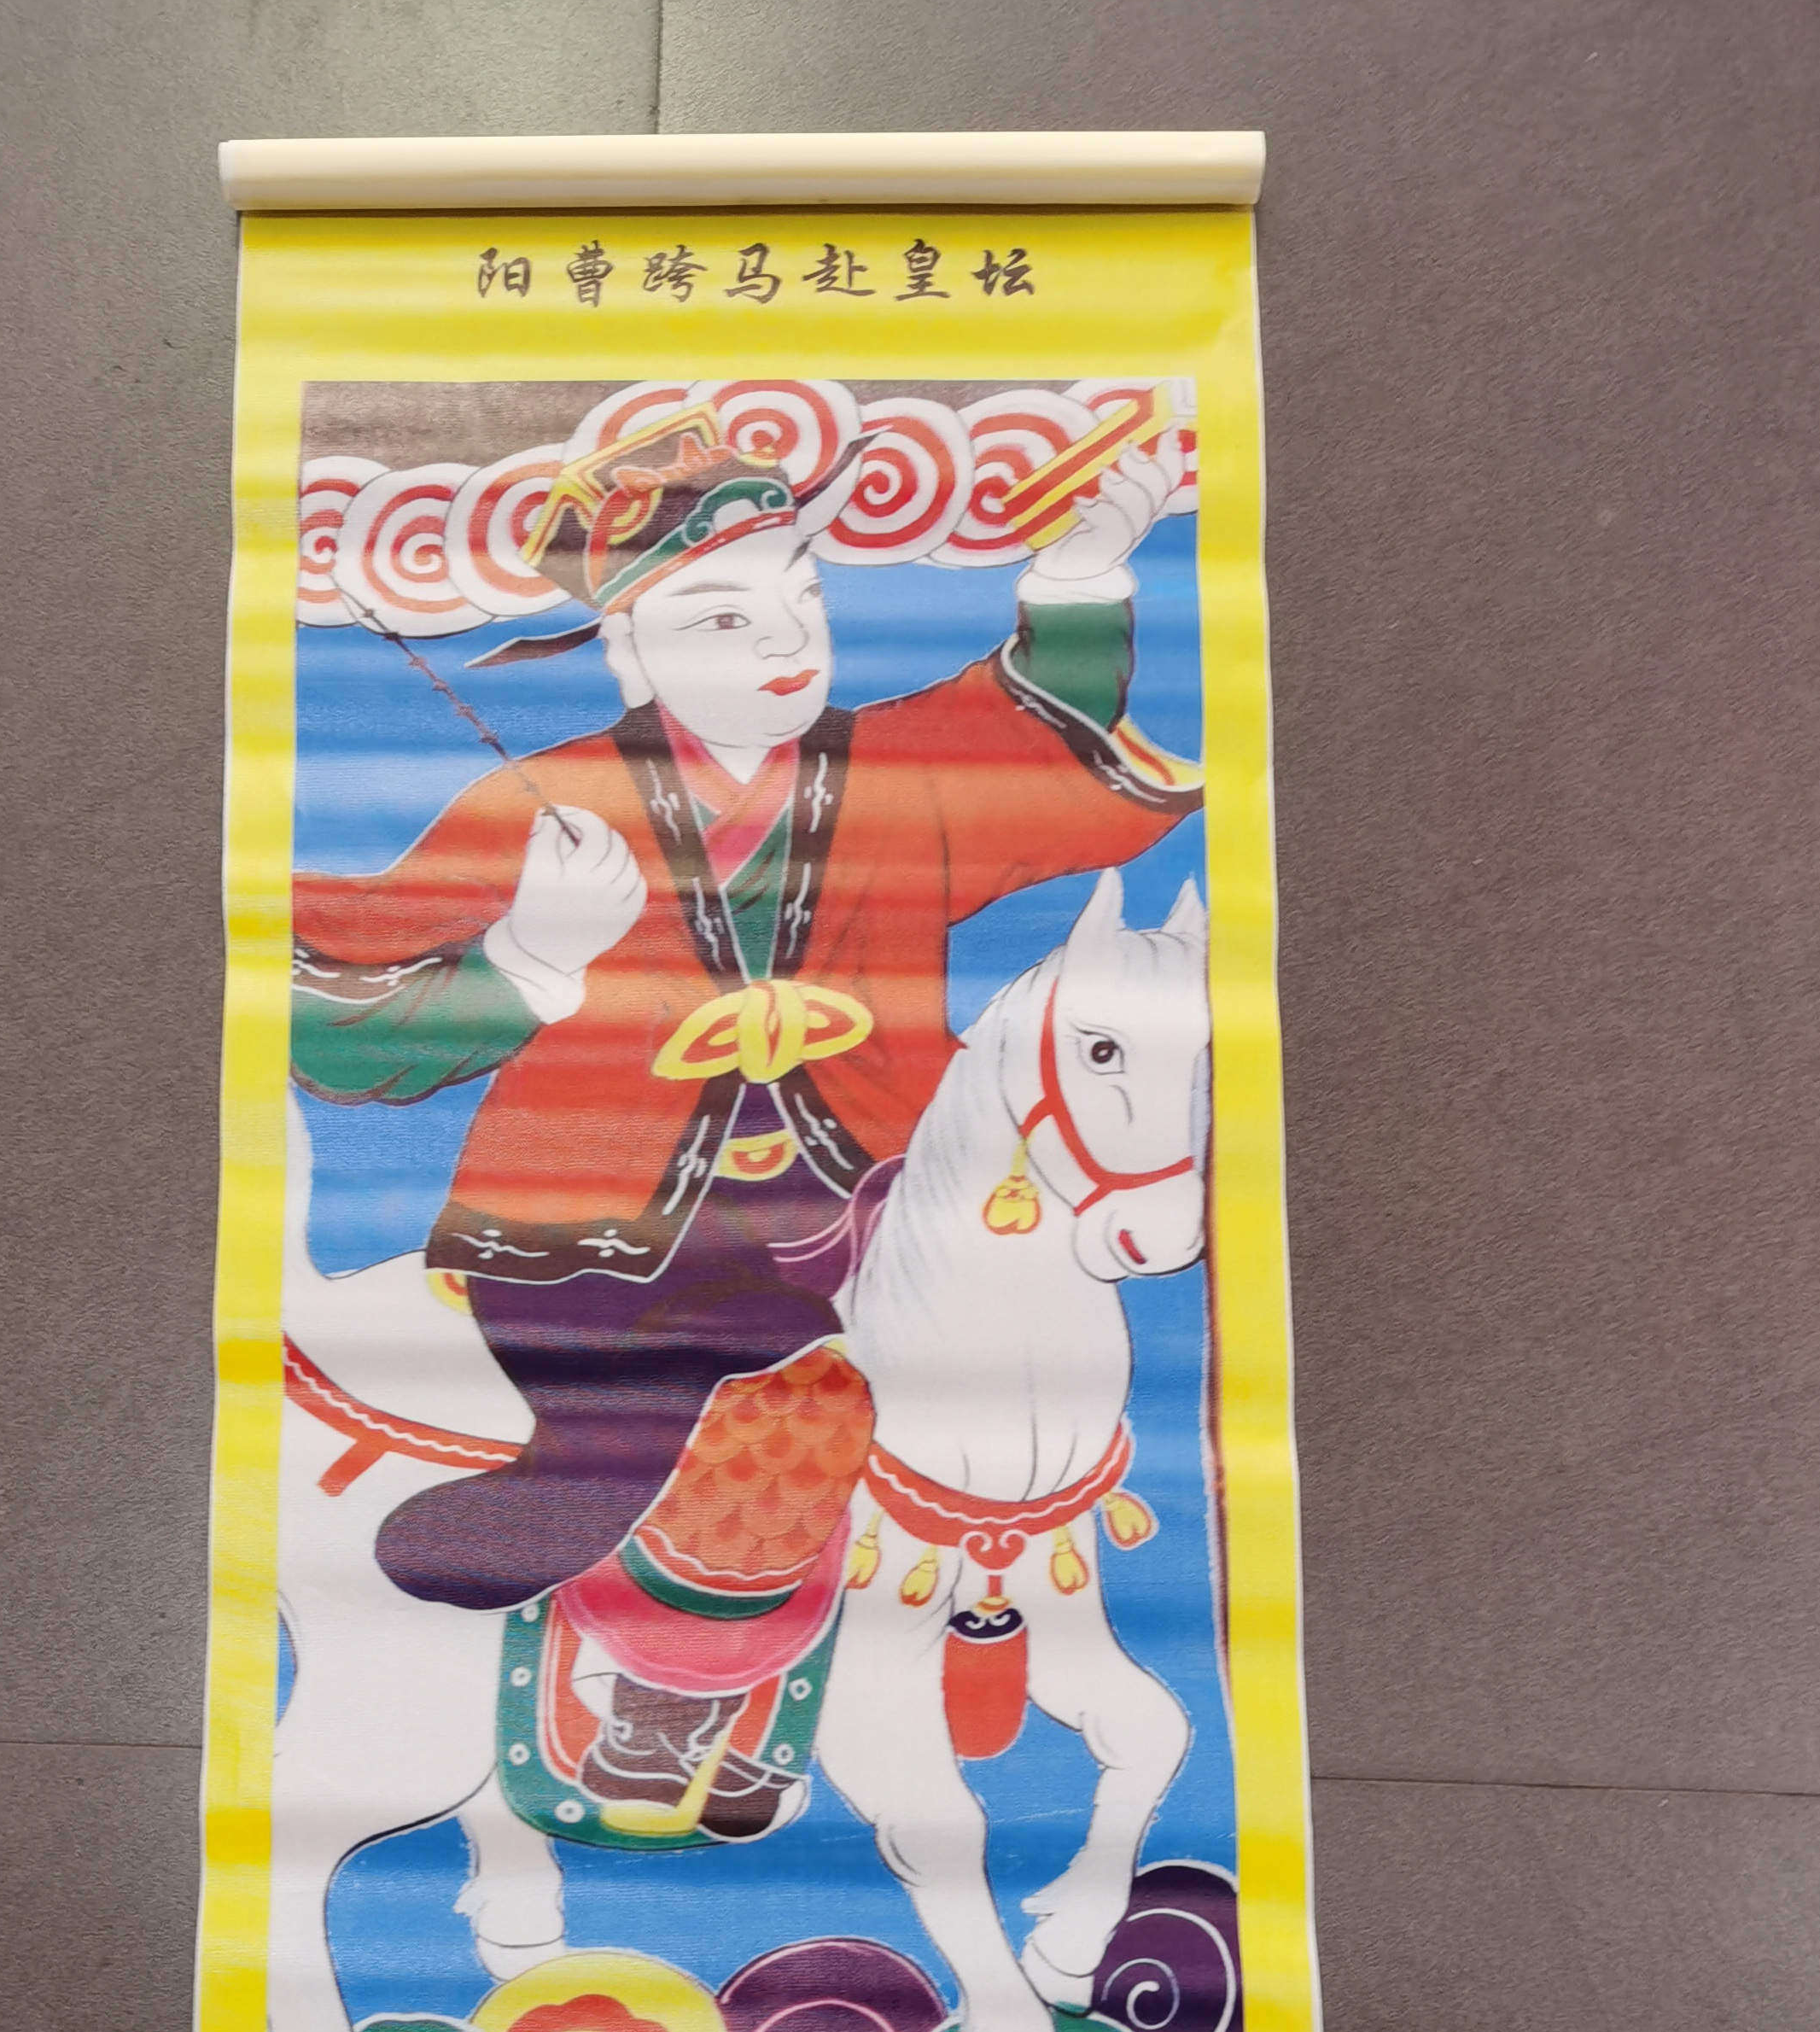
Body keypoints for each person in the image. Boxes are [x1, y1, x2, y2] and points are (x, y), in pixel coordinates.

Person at [289, 401, 1199, 1834]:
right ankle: (652, 1682)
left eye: (802, 599)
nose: (784, 643)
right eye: (723, 618)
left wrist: (1079, 576)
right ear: (630, 651)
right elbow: (333, 1022)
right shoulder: (552, 804)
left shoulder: (893, 773)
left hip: (875, 1201)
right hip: (605, 1231)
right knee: (769, 1413)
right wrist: (529, 959)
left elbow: (1038, 736)